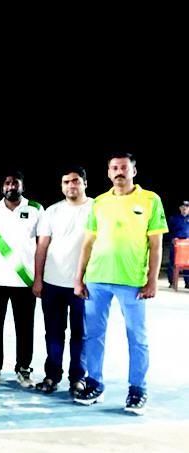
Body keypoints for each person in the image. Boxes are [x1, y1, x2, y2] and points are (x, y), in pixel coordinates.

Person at [73, 151, 167, 415]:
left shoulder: (150, 200)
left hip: (132, 281)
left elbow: (156, 245)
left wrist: (152, 280)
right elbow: (88, 243)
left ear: (133, 171)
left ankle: (137, 389)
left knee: (137, 336)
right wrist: (79, 278)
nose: (119, 172)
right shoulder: (100, 203)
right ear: (108, 172)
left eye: (124, 167)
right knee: (93, 335)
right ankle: (95, 383)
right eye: (114, 168)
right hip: (97, 279)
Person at [0, 170, 44, 387]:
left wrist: (39, 278)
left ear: (22, 186)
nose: (11, 187)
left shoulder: (35, 209)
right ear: (2, 187)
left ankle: (24, 368)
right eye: (7, 183)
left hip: (24, 281)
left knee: (25, 327)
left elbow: (42, 244)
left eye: (15, 183)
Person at [32, 166, 91, 395]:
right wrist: (38, 279)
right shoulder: (52, 211)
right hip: (53, 283)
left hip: (84, 285)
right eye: (66, 182)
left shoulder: (96, 209)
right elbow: (42, 247)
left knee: (80, 335)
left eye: (75, 181)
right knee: (54, 333)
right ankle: (52, 375)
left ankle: (78, 378)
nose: (71, 185)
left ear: (85, 183)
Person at [166, 200, 189, 288]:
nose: (184, 208)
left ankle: (188, 283)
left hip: (187, 244)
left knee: (187, 263)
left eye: (187, 206)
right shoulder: (174, 218)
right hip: (176, 243)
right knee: (173, 262)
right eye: (183, 206)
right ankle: (172, 282)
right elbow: (167, 230)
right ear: (180, 208)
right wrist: (172, 238)